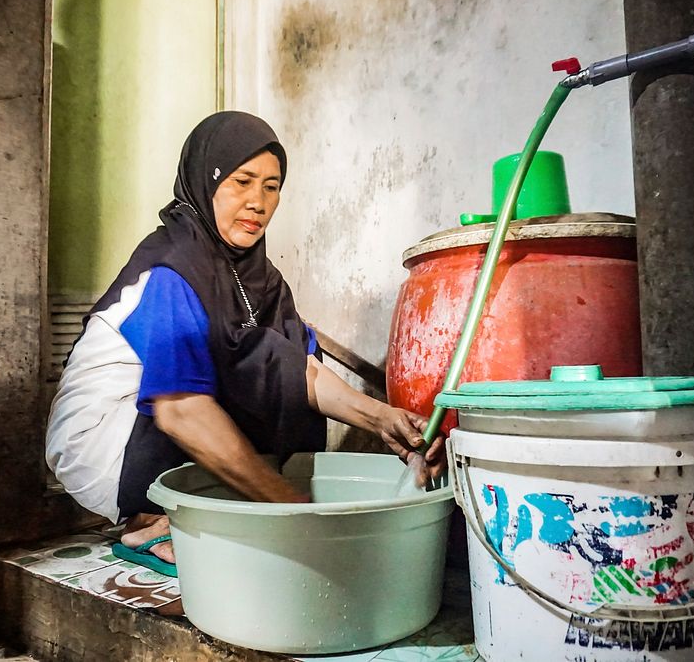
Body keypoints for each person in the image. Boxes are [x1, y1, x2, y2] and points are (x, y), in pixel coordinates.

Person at [46, 111, 445, 576]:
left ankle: (178, 518)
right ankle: (152, 516)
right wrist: (293, 513)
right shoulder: (172, 267)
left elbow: (300, 371)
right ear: (206, 181)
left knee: (271, 359)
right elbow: (180, 409)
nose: (258, 202)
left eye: (271, 187)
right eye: (242, 181)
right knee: (234, 373)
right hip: (102, 442)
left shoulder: (259, 275)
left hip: (161, 420)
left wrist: (383, 419)